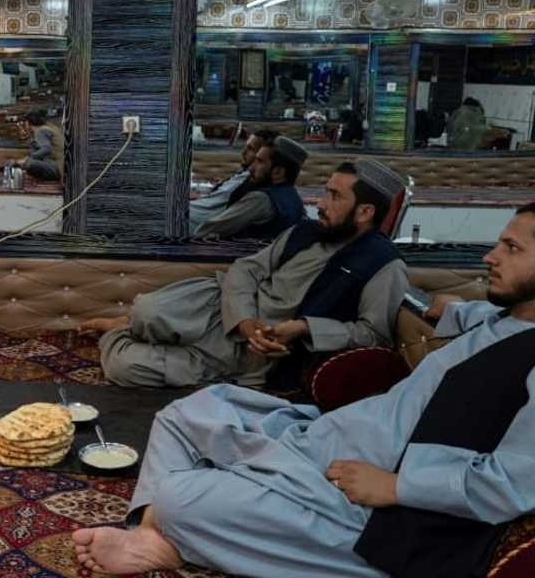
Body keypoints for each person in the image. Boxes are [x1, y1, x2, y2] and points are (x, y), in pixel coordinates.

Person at [73, 204, 535, 578]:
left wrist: (396, 487)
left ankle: (164, 530)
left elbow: (511, 483)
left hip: (362, 500)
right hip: (327, 435)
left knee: (178, 495)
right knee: (188, 411)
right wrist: (453, 307)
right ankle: (161, 533)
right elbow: (464, 320)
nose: (490, 256)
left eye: (511, 248)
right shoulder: (504, 316)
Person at [86, 159, 408, 389]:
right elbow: (247, 268)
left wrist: (305, 328)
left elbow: (374, 335)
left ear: (365, 212)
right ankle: (135, 325)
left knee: (122, 367)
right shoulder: (306, 232)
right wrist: (243, 319)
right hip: (222, 307)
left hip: (253, 351)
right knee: (147, 310)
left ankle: (120, 333)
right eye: (326, 192)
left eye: (335, 196)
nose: (321, 204)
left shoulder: (383, 264)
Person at [193, 135, 307, 240]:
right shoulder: (295, 199)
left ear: (278, 172)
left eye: (260, 162)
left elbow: (205, 230)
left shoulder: (261, 199)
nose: (251, 168)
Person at [188, 129, 277, 233]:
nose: (243, 152)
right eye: (245, 147)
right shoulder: (243, 175)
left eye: (250, 149)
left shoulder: (254, 183)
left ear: (263, 153)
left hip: (193, 223)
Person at [17, 109, 64, 182]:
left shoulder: (40, 131)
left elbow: (47, 149)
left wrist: (28, 159)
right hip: (61, 165)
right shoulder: (50, 127)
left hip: (58, 167)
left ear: (27, 123)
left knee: (30, 164)